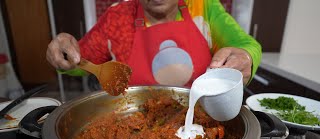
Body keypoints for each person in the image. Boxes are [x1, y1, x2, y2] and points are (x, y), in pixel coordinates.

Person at [46, 0, 261, 88]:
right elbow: (79, 62)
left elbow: (244, 45)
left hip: (200, 120)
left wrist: (246, 57)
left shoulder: (204, 7)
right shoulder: (117, 16)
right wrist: (62, 55)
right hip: (129, 124)